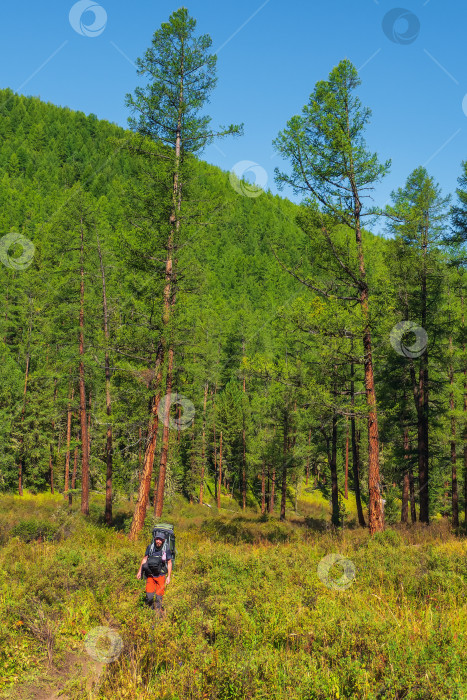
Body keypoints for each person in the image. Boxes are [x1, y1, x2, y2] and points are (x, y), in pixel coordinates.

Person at [136, 530, 173, 614]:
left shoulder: (166, 548)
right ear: (155, 539)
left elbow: (169, 562)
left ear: (163, 540)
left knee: (159, 597)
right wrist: (139, 571)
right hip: (150, 575)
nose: (158, 541)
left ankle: (158, 615)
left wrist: (169, 577)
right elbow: (145, 558)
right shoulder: (150, 547)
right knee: (149, 597)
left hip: (161, 575)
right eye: (157, 539)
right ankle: (149, 612)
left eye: (160, 539)